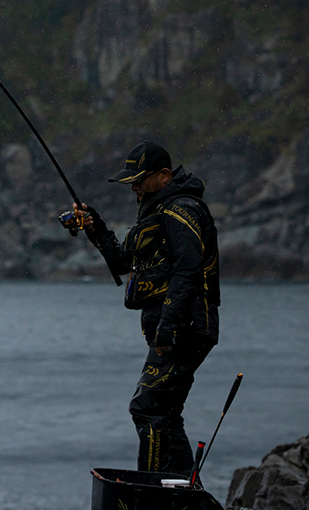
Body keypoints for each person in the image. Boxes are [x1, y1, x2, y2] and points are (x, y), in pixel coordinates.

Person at [73, 141, 220, 477]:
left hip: (184, 326)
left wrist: (167, 327)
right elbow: (123, 261)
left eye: (139, 180)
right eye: (131, 182)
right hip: (174, 328)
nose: (134, 188)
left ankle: (152, 489)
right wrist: (94, 226)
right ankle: (178, 487)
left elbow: (188, 269)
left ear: (164, 176)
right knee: (163, 412)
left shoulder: (181, 209)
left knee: (148, 408)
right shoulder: (155, 213)